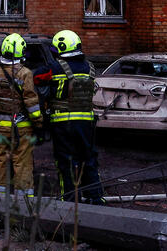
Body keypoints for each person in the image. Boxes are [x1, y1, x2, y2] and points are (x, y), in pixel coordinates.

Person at [48, 29, 103, 204]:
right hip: (87, 122)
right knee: (89, 158)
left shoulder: (56, 67)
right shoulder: (90, 67)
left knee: (66, 161)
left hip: (63, 123)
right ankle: (95, 197)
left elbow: (38, 78)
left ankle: (71, 199)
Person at [0, 33, 44, 198]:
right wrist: (39, 123)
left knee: (1, 159)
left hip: (1, 126)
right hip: (22, 126)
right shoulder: (25, 73)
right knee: (22, 161)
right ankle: (24, 199)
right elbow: (31, 104)